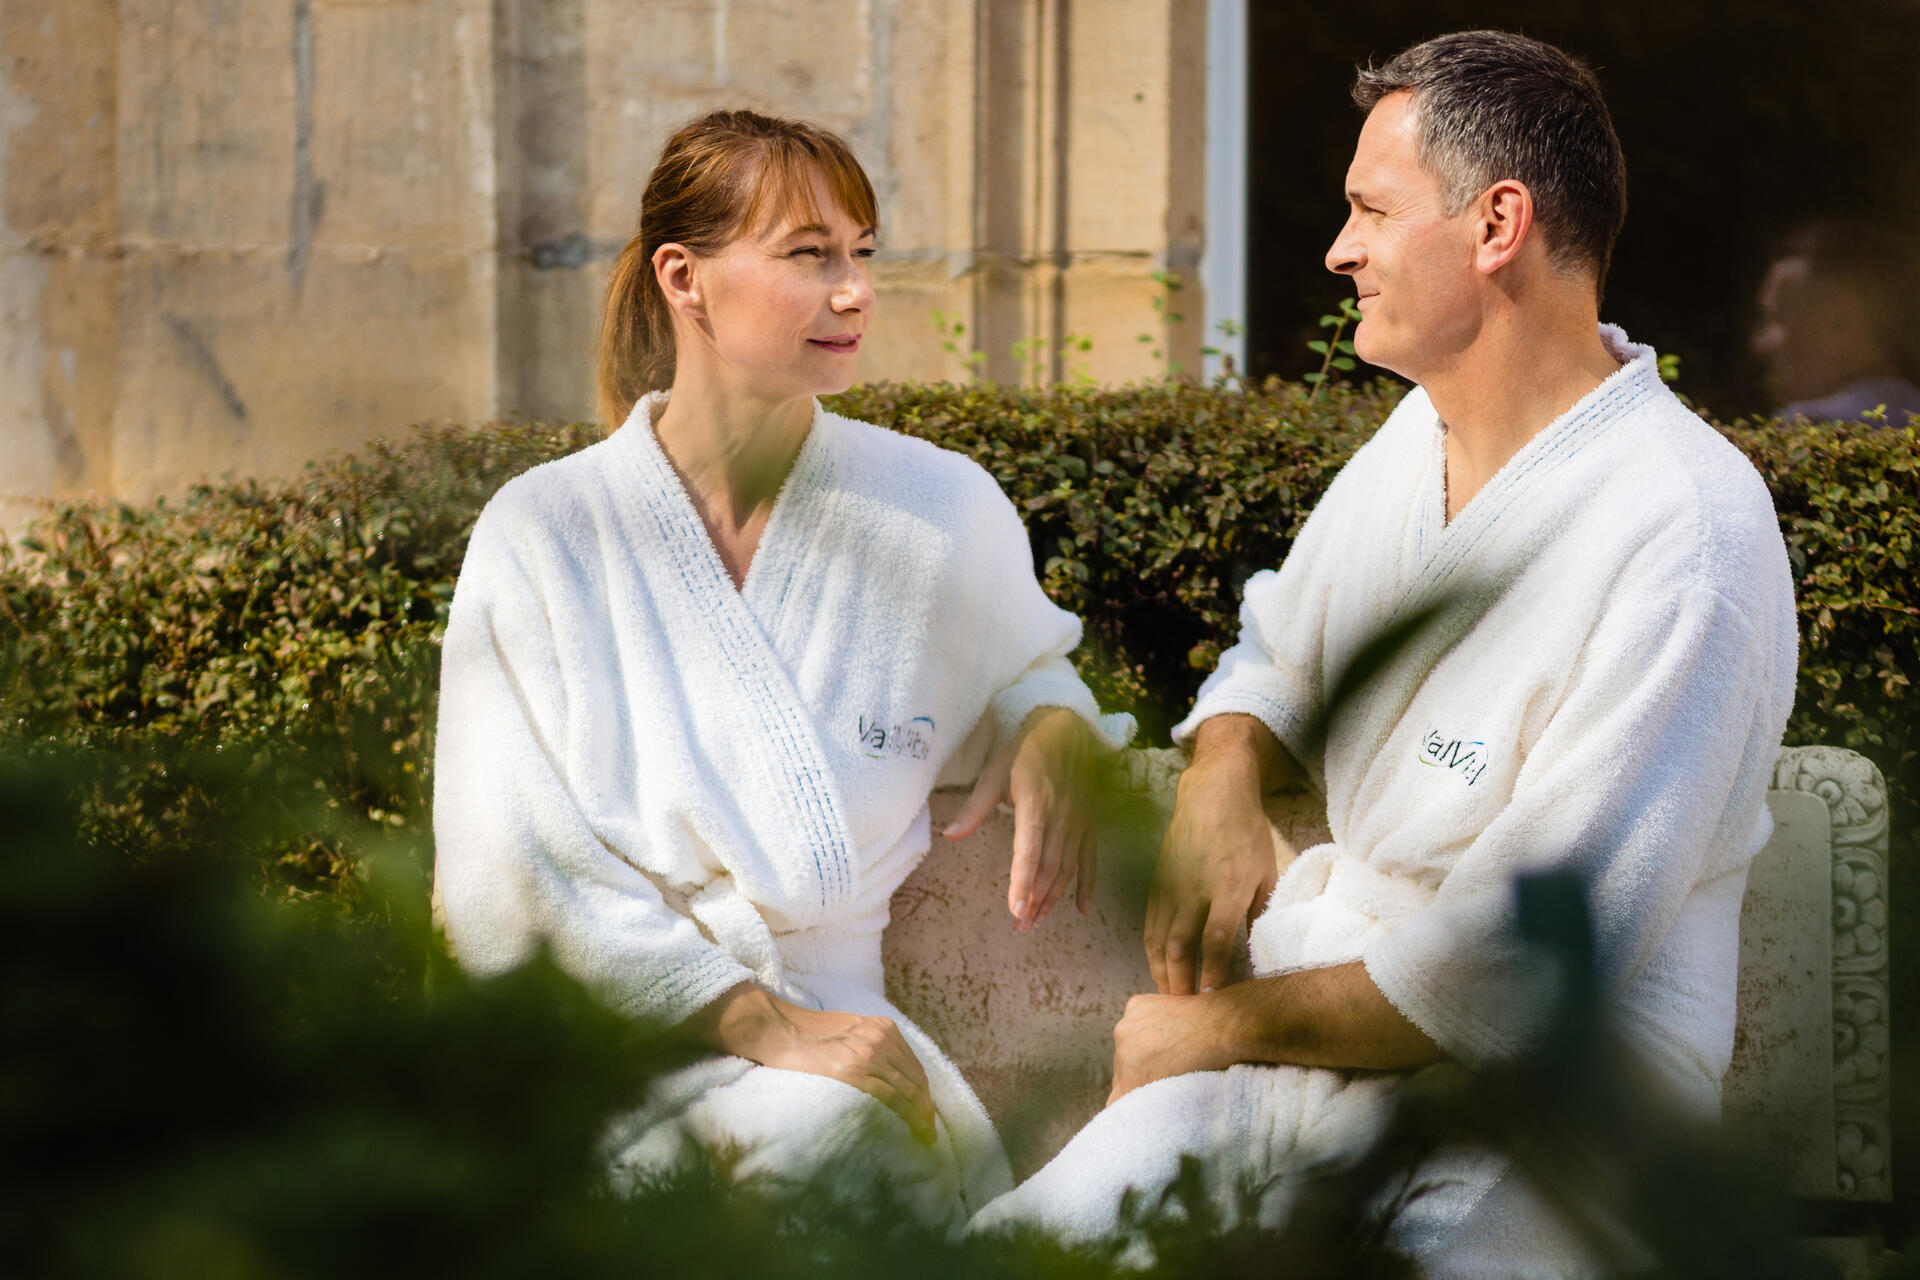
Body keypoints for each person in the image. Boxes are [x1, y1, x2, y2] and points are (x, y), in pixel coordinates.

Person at [972, 31, 1797, 1275]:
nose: (1337, 249)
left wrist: (1217, 1027)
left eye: (1368, 208)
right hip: (1301, 1068)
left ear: (1496, 224)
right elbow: (1279, 648)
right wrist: (1222, 771)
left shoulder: (1683, 530)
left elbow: (1519, 966)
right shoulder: (1420, 437)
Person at [431, 110, 1133, 1231]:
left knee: (833, 1147)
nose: (853, 290)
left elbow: (1029, 661)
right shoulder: (547, 531)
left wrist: (1045, 712)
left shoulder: (938, 509)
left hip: (841, 1049)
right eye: (810, 255)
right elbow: (507, 871)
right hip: (608, 1049)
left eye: (864, 252)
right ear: (685, 277)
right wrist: (754, 1018)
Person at [1751, 218, 1920, 425]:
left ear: (1842, 326)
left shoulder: (1800, 431)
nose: (1759, 345)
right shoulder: (1912, 412)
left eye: (1777, 318)